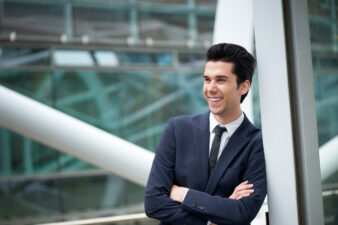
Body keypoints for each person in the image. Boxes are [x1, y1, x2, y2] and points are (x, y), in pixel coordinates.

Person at [144, 43, 267, 225]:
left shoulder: (258, 143)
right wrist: (213, 219)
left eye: (220, 80)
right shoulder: (177, 130)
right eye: (207, 79)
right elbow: (154, 203)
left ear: (243, 86)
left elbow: (242, 212)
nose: (210, 88)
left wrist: (183, 194)